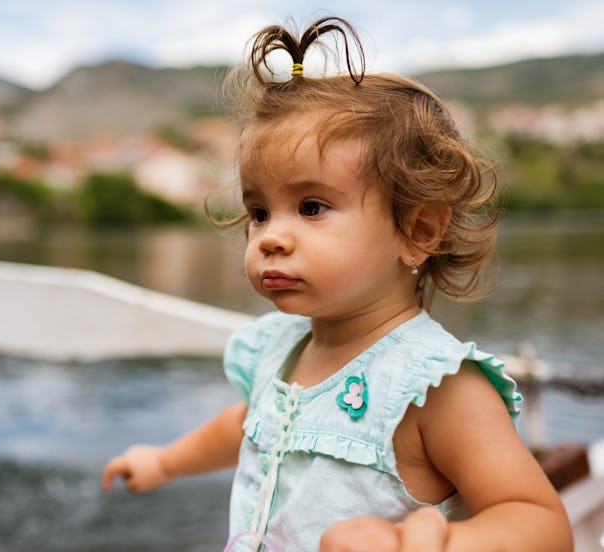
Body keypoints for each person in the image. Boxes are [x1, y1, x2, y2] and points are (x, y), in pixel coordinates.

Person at [102, 15, 573, 552]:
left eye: (311, 207)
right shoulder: (279, 349)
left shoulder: (435, 387)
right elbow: (249, 424)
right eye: (259, 211)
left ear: (416, 230)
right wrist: (164, 462)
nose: (271, 237)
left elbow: (541, 523)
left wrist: (427, 546)